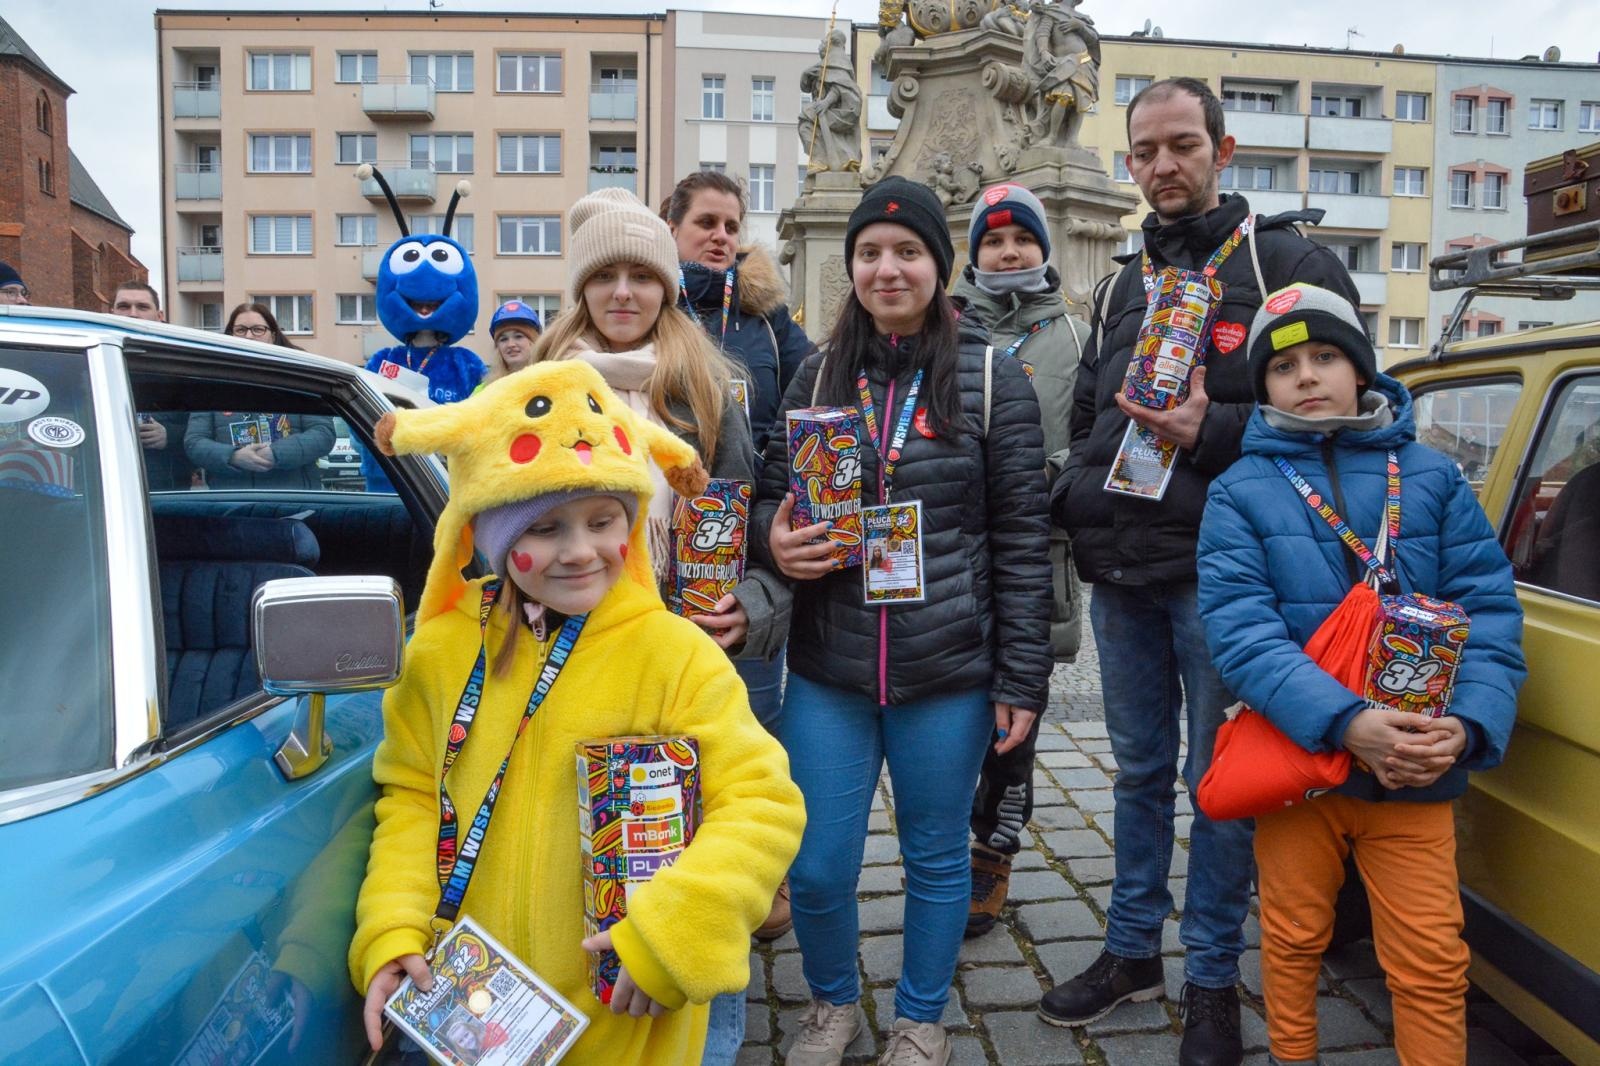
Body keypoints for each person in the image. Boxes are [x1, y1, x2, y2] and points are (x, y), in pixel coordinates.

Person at [351, 359, 805, 1065]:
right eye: (544, 529)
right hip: (471, 1013)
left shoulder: (673, 654)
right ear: (495, 539)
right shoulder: (441, 649)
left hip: (624, 1015)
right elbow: (411, 796)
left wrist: (676, 933)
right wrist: (394, 930)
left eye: (603, 521)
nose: (581, 551)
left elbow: (761, 803)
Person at [1044, 76, 1361, 1065]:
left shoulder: (1285, 266)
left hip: (1230, 578)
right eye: (1145, 151)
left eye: (1183, 145)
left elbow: (1347, 413)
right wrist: (1078, 498)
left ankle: (1214, 977)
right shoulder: (1117, 284)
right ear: (1129, 162)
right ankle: (1133, 949)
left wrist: (1211, 426)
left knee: (1217, 780)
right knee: (1137, 771)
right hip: (1124, 573)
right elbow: (1090, 418)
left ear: (1222, 152)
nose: (1163, 165)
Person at [751, 176, 1051, 1066]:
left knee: (935, 856)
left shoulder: (993, 378)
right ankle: (832, 1006)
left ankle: (922, 1020)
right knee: (817, 864)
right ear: (850, 268)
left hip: (947, 671)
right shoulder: (815, 372)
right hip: (831, 672)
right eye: (871, 253)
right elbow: (773, 494)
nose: (888, 268)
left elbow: (1025, 541)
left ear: (937, 265)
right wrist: (774, 536)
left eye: (907, 251)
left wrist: (1021, 680)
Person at [1196, 282, 1525, 1066]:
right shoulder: (1239, 492)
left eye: (1328, 357)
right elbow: (1242, 637)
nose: (1307, 377)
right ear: (1263, 386)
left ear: (1363, 370)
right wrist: (1347, 722)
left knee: (1432, 963)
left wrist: (1469, 724)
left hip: (1415, 766)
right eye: (1285, 367)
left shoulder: (1435, 478)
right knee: (1292, 940)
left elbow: (1488, 612)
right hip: (1301, 766)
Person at [531, 189, 796, 1065]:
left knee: (685, 845)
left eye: (641, 275)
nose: (622, 293)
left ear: (667, 286)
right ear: (579, 289)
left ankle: (704, 1038)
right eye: (602, 275)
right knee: (579, 850)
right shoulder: (537, 386)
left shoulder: (713, 383)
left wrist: (751, 604)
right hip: (564, 655)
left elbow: (756, 522)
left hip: (684, 658)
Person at [951, 182, 1088, 938]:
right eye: (993, 242)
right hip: (953, 553)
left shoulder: (1074, 333)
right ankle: (943, 840)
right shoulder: (948, 329)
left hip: (1038, 550)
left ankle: (993, 848)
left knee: (1016, 715)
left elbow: (1098, 431)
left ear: (1043, 248)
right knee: (950, 706)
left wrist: (1052, 469)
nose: (1008, 252)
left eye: (1021, 240)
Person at [662, 169, 814, 749]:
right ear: (671, 228)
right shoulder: (655, 310)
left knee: (751, 731)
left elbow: (811, 396)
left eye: (731, 225)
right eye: (705, 222)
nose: (720, 236)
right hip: (668, 541)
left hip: (751, 543)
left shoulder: (769, 321)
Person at [184, 303, 335, 490]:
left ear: (272, 335)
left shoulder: (300, 376)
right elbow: (194, 442)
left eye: (257, 329)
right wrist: (233, 456)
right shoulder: (210, 383)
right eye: (240, 330)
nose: (248, 336)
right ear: (230, 335)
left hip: (294, 499)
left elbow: (323, 434)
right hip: (231, 503)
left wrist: (277, 453)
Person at [109, 280, 189, 490]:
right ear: (112, 313)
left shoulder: (183, 366)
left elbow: (205, 429)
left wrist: (168, 435)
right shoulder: (92, 361)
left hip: (166, 492)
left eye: (142, 307)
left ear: (159, 316)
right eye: (124, 306)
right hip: (107, 485)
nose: (133, 314)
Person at [487, 298, 542, 381]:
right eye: (503, 339)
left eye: (518, 336)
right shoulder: (486, 388)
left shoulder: (550, 380)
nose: (511, 344)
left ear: (534, 341)